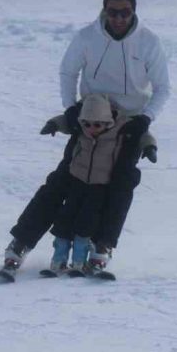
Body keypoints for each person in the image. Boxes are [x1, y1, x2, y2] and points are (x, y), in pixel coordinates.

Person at [3, 0, 171, 278]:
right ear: (104, 9)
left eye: (125, 12)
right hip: (90, 119)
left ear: (134, 10)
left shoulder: (149, 42)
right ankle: (21, 243)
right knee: (62, 182)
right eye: (113, 11)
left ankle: (102, 246)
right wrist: (71, 111)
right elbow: (68, 72)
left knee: (120, 186)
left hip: (128, 125)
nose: (119, 19)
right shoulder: (86, 38)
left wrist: (146, 118)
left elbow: (163, 88)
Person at [46, 94, 129, 275]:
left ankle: (79, 263)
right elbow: (64, 121)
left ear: (107, 122)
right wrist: (53, 124)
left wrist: (149, 147)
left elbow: (143, 134)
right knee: (64, 223)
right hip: (77, 183)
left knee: (86, 226)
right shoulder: (81, 130)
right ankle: (58, 260)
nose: (91, 129)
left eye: (97, 124)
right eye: (87, 124)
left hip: (99, 187)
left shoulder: (118, 131)